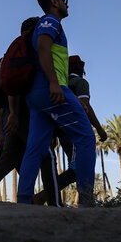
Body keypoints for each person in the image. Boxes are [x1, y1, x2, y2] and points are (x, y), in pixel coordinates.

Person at [16, 0, 97, 206]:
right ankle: (87, 202)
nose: (66, 2)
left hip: (36, 94)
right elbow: (43, 47)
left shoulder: (44, 24)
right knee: (86, 138)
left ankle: (23, 201)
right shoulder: (51, 21)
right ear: (54, 2)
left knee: (36, 147)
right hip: (52, 89)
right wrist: (54, 83)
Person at [0, 18, 60, 206]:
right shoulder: (31, 48)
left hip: (13, 112)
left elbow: (11, 84)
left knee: (8, 159)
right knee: (45, 154)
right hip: (25, 111)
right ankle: (55, 205)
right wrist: (16, 114)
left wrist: (11, 114)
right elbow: (24, 86)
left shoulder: (11, 53)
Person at [32, 54, 108, 204]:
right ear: (81, 69)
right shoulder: (80, 82)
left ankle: (43, 197)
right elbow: (84, 105)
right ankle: (42, 197)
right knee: (77, 169)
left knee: (76, 168)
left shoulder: (61, 84)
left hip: (62, 131)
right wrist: (99, 129)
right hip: (77, 131)